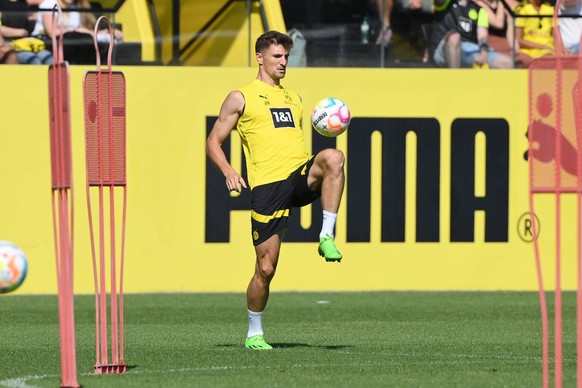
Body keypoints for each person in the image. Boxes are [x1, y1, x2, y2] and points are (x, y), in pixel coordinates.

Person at [206, 30, 345, 350]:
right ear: (259, 58)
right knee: (265, 269)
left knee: (334, 158)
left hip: (298, 175)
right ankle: (254, 332)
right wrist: (228, 170)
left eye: (286, 56)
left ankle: (326, 235)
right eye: (277, 57)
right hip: (268, 187)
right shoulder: (241, 96)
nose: (284, 62)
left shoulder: (294, 98)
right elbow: (213, 141)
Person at [31, 0, 123, 64]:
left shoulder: (75, 7)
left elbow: (84, 32)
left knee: (100, 46)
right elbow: (52, 33)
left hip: (71, 43)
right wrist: (76, 31)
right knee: (76, 38)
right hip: (47, 43)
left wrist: (108, 31)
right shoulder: (50, 3)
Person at [429, 0, 513, 68]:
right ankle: (454, 83)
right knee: (454, 37)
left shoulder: (480, 9)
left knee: (507, 62)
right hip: (442, 50)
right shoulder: (446, 2)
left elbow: (482, 34)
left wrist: (484, 53)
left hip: (467, 50)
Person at [0, 0, 52, 64]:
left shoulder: (24, 3)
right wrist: (20, 32)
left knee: (49, 58)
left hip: (27, 43)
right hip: (10, 44)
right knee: (34, 60)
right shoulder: (2, 3)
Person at [514, 0, 556, 68]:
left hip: (547, 51)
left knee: (548, 61)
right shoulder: (523, 10)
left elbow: (555, 36)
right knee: (519, 61)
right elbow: (519, 40)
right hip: (527, 51)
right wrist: (542, 46)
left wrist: (560, 49)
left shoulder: (550, 10)